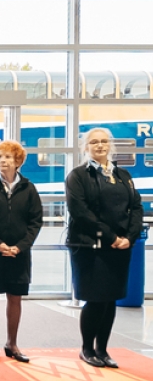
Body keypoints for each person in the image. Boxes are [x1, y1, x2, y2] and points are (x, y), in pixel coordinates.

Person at [65, 127, 142, 368]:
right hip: (90, 246)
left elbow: (136, 207)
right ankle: (87, 349)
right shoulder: (77, 176)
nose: (100, 146)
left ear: (110, 145)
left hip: (121, 247)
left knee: (111, 299)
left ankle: (103, 350)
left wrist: (130, 236)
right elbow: (81, 213)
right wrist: (111, 237)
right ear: (86, 147)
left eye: (104, 141)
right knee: (95, 299)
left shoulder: (123, 175)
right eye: (94, 142)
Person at [0, 140, 43, 362]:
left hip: (19, 255)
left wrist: (20, 247)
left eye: (7, 157)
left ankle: (12, 343)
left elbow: (35, 222)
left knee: (15, 298)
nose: (2, 161)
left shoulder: (29, 188)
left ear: (18, 161)